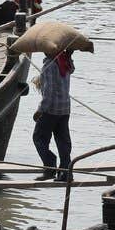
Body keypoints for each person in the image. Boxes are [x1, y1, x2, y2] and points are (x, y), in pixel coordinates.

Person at [33, 47, 75, 181]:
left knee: (39, 137)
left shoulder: (49, 64)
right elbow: (71, 69)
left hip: (51, 109)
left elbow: (49, 91)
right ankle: (66, 172)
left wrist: (40, 110)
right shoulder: (64, 59)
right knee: (63, 141)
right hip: (64, 108)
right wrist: (69, 54)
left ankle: (50, 166)